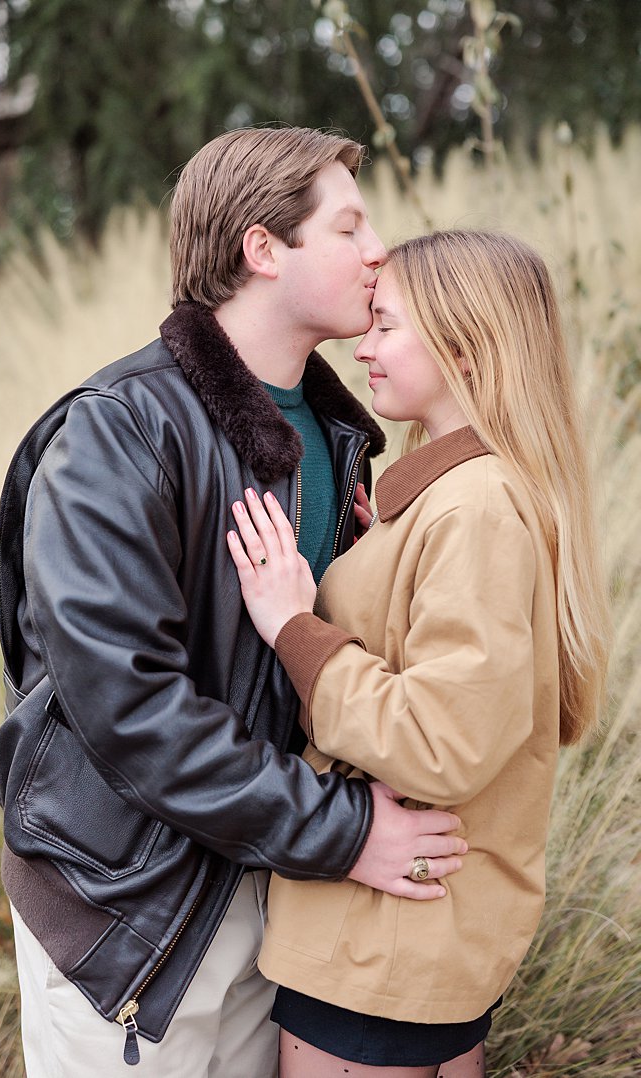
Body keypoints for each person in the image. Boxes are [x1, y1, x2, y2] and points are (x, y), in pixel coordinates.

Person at [0, 126, 470, 1077]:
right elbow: (129, 711)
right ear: (262, 248)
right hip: (131, 906)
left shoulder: (339, 436)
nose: (378, 252)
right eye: (348, 226)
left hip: (274, 891)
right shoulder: (118, 433)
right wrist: (349, 831)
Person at [226, 230, 609, 1077]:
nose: (361, 346)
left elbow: (442, 740)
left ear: (464, 349)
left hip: (382, 941)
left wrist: (295, 624)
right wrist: (380, 554)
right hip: (420, 934)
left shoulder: (474, 511)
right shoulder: (471, 496)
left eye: (387, 326)